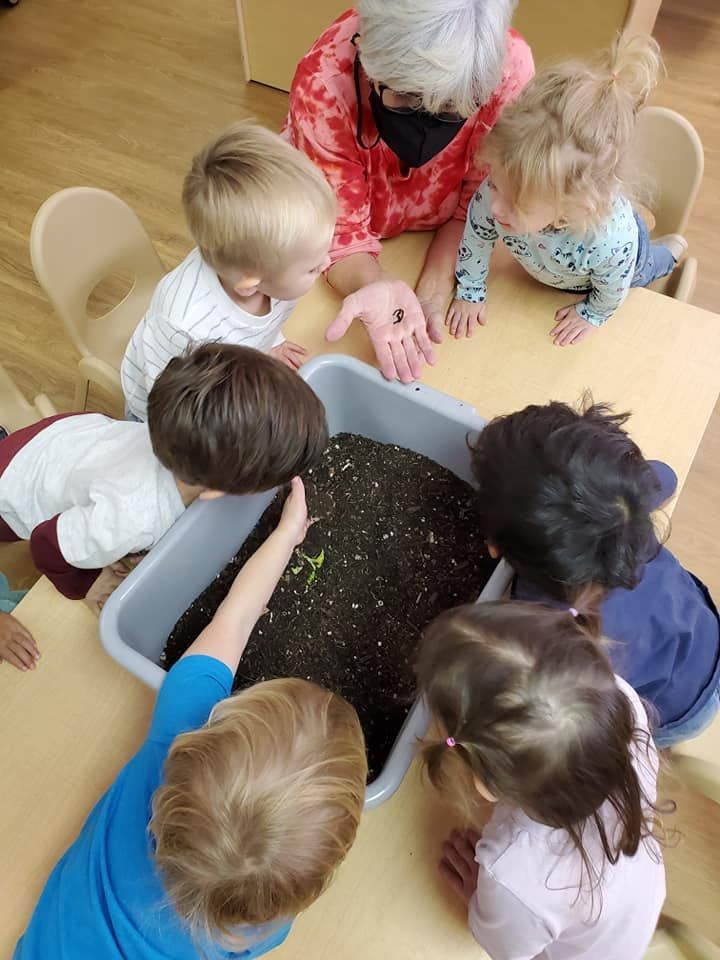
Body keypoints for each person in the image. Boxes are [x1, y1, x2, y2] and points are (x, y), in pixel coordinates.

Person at [14, 476, 368, 959]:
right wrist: (290, 532)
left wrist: (286, 534)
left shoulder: (175, 732)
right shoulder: (258, 929)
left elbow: (234, 620)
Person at [284, 0, 534, 382]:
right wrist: (375, 284)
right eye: (406, 98)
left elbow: (476, 203)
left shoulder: (509, 71)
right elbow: (342, 235)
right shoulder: (324, 81)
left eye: (451, 109)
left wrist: (433, 290)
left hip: (437, 232)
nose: (426, 123)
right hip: (334, 233)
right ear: (369, 57)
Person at [0, 343, 328, 621]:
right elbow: (46, 544)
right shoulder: (131, 518)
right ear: (213, 492)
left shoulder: (182, 432)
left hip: (64, 439)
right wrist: (86, 585)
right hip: (13, 490)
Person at [417, 599, 666, 960]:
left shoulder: (514, 879)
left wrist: (482, 899)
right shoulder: (620, 705)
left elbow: (508, 950)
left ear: (486, 784)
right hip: (639, 897)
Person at [469, 397, 720, 748]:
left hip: (671, 712)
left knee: (635, 740)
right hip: (703, 638)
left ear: (496, 547)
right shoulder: (623, 506)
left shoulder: (540, 624)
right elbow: (667, 476)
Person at [449, 36, 686, 346]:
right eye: (494, 183)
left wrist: (593, 314)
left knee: (642, 272)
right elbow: (477, 237)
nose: (494, 207)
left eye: (517, 203)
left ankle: (670, 251)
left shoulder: (610, 243)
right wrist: (470, 291)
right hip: (549, 263)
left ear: (573, 209)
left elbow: (612, 291)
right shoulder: (498, 196)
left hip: (627, 261)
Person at [121, 122, 336, 421]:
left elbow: (260, 322)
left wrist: (269, 345)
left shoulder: (268, 270)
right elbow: (166, 402)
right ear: (251, 285)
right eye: (313, 267)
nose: (326, 264)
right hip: (165, 411)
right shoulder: (185, 324)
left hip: (225, 369)